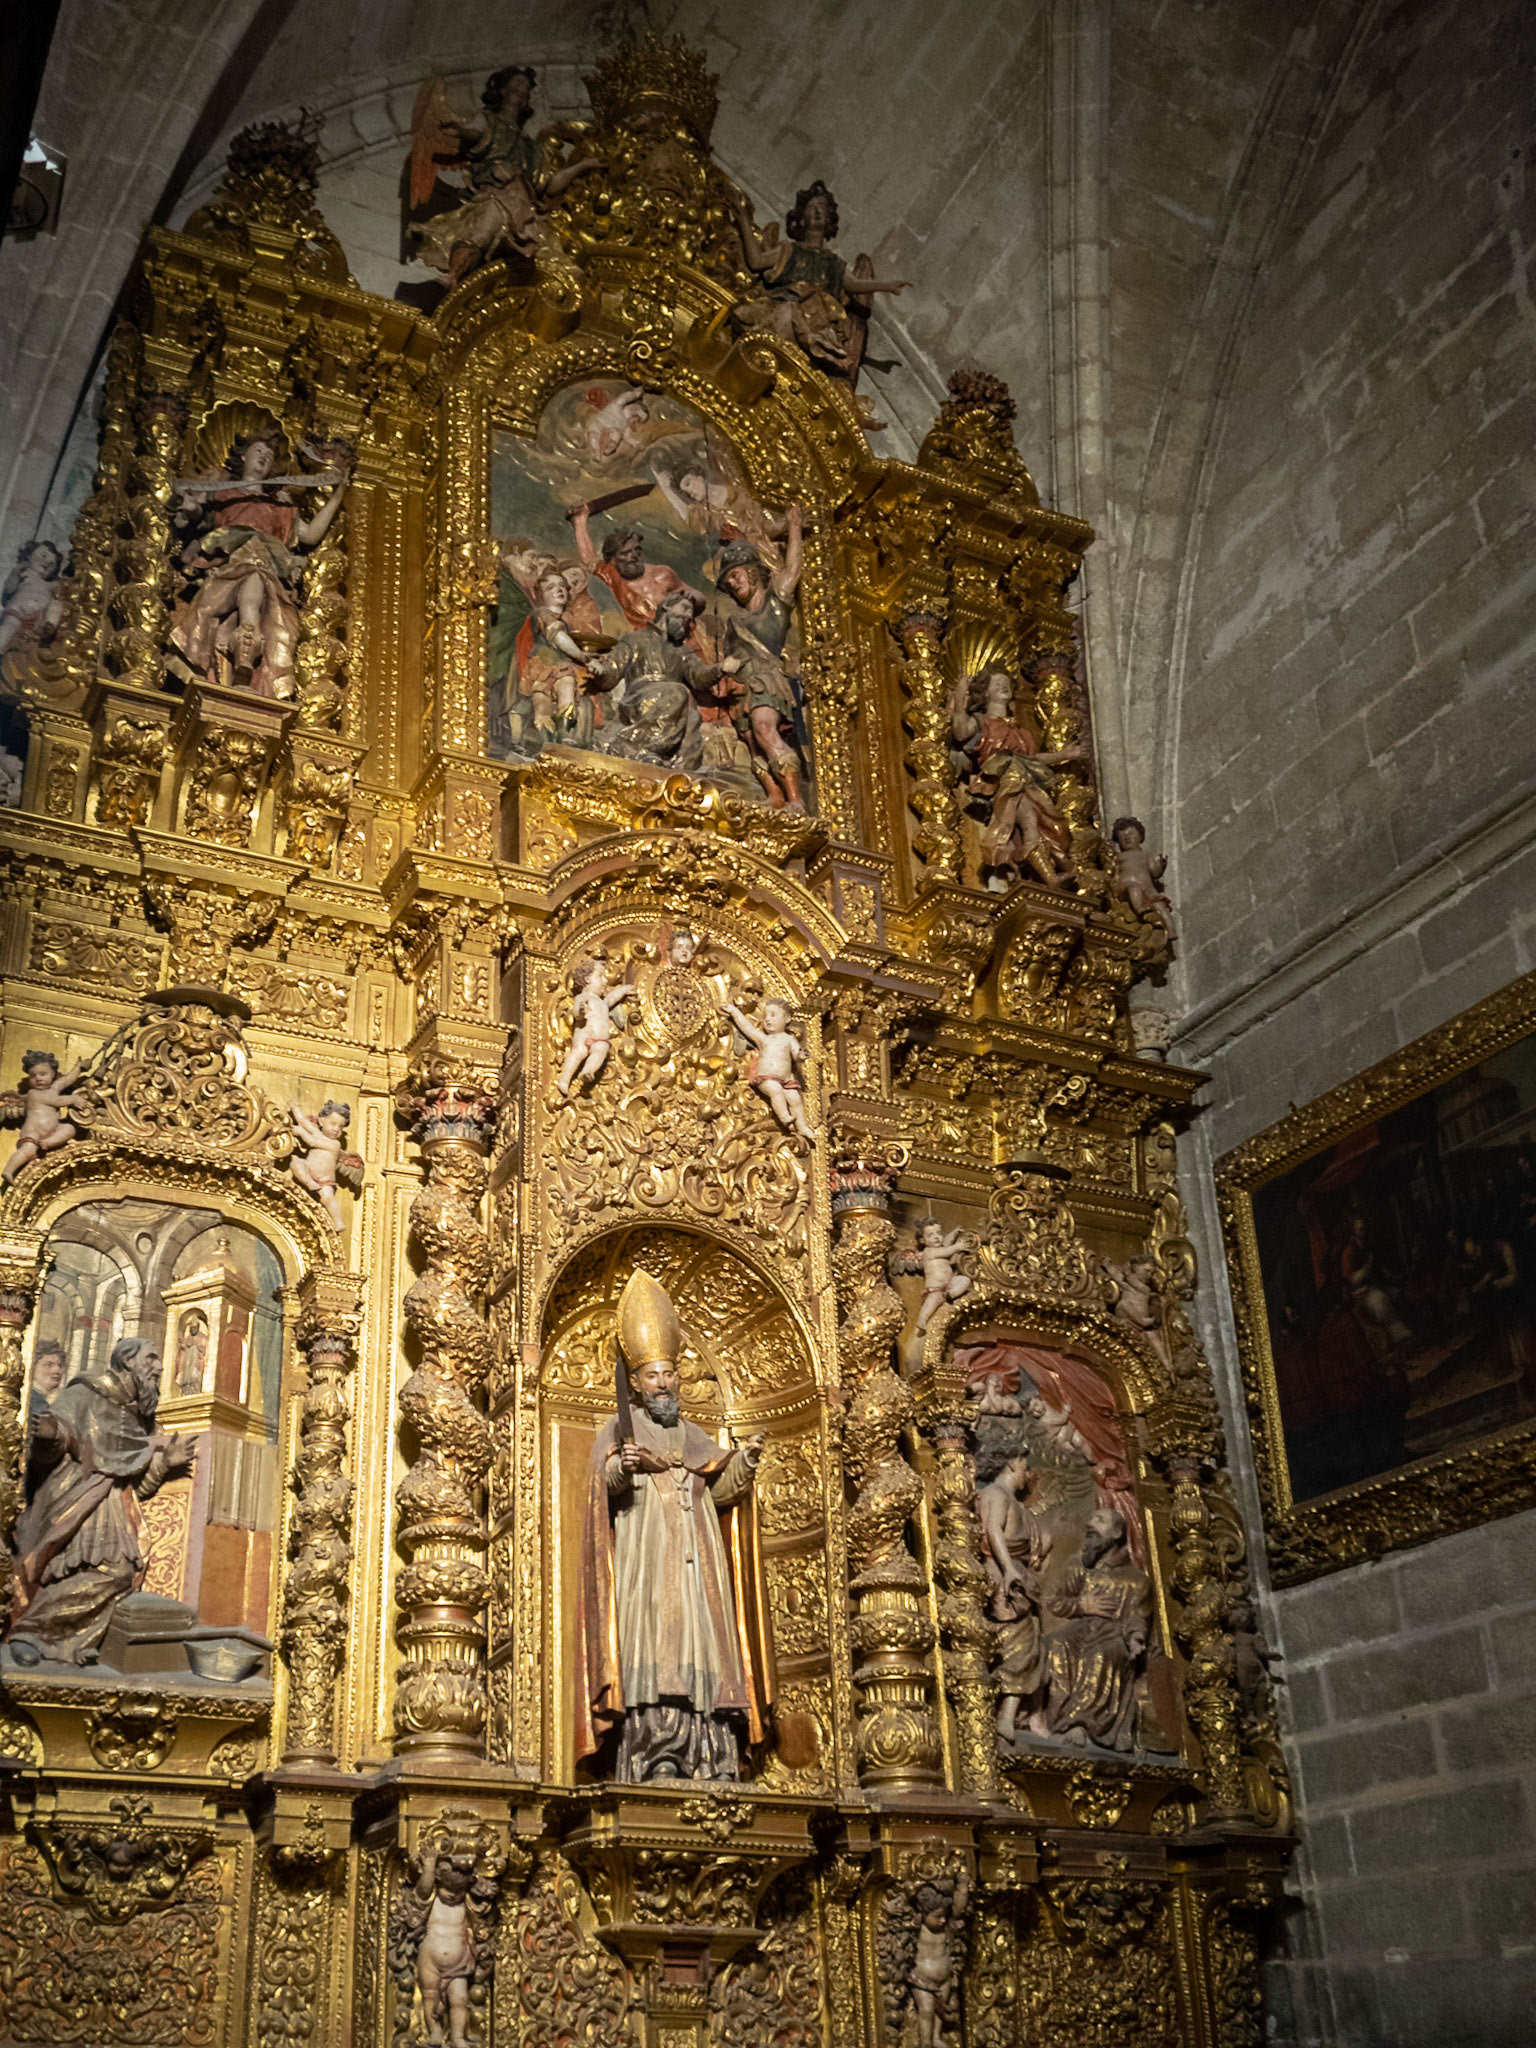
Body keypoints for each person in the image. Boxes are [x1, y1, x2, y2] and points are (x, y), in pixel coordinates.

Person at [574, 1270, 772, 1781]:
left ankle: (712, 1756)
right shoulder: (620, 1428)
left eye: (669, 1374)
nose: (663, 1384)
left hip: (700, 1566)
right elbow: (602, 1488)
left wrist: (746, 1461)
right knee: (655, 1645)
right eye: (652, 1377)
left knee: (703, 1647)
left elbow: (720, 1493)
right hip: (647, 1561)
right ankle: (656, 1752)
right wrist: (623, 1467)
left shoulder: (695, 1435)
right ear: (636, 1385)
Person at [5, 1337, 195, 1667]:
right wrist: (50, 1435)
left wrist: (165, 1463)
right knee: (91, 1570)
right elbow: (57, 1438)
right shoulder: (84, 1393)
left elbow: (137, 1485)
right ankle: (32, 1633)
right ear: (127, 1361)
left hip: (112, 1505)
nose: (160, 1367)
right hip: (74, 1495)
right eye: (151, 1358)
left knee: (117, 1573)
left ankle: (59, 1639)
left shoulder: (137, 1418)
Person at [169, 434, 351, 700]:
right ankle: (236, 665)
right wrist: (191, 507)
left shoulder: (279, 505)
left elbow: (310, 535)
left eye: (269, 454)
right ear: (243, 456)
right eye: (259, 451)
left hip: (269, 568)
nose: (264, 456)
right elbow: (198, 514)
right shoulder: (223, 492)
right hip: (228, 566)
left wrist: (338, 495)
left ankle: (246, 666)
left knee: (266, 601)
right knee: (213, 611)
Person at [407, 65, 600, 286]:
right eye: (517, 83)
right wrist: (461, 132)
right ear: (502, 90)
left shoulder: (532, 147)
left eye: (526, 87)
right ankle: (454, 276)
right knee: (481, 233)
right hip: (496, 195)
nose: (522, 89)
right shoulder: (489, 121)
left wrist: (583, 165)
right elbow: (476, 134)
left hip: (525, 209)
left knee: (556, 255)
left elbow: (549, 184)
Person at [733, 180, 908, 406]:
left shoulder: (834, 264)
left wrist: (888, 286)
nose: (817, 212)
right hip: (784, 306)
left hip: (816, 321)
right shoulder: (789, 250)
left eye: (823, 208)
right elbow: (756, 261)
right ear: (801, 218)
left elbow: (854, 284)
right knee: (786, 315)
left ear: (829, 218)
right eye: (812, 208)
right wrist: (743, 219)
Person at [951, 670, 1087, 890]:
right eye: (997, 683)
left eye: (1006, 683)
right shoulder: (982, 722)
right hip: (1005, 780)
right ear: (985, 693)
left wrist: (1064, 755)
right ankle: (1052, 876)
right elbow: (960, 732)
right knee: (1029, 823)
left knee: (1054, 824)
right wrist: (959, 699)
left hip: (1029, 780)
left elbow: (1032, 759)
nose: (1004, 686)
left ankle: (1057, 870)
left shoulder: (1022, 732)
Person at [1031, 1508, 1152, 1752]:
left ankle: (1082, 1725)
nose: (1090, 1523)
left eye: (1100, 1520)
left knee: (1101, 1656)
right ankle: (1057, 1723)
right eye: (1091, 1518)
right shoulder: (1078, 1566)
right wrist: (1081, 1605)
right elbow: (1054, 1600)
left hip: (1114, 1635)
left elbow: (1137, 1616)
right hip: (1081, 1630)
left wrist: (1136, 1638)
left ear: (1117, 1533)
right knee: (1055, 1646)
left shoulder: (1136, 1579)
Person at [714, 515, 809, 810]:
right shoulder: (734, 621)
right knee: (752, 743)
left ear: (752, 572)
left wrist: (794, 526)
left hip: (766, 679)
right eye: (729, 582)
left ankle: (796, 799)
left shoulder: (774, 601)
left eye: (735, 576)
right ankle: (775, 795)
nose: (733, 584)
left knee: (765, 729)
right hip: (740, 688)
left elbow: (793, 569)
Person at [586, 589, 740, 769]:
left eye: (690, 614)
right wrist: (601, 670)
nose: (688, 616)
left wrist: (720, 668)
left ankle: (671, 762)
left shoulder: (682, 651)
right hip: (639, 699)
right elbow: (612, 671)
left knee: (688, 709)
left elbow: (698, 676)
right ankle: (638, 748)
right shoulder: (635, 639)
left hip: (674, 701)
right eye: (684, 608)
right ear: (666, 607)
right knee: (678, 692)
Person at [974, 1448, 1053, 1742]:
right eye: (1024, 1466)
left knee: (1030, 1642)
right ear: (1010, 1463)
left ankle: (1026, 1714)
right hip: (1001, 1574)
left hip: (1018, 1575)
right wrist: (1007, 1569)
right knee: (1015, 1642)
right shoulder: (995, 1494)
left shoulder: (1015, 1503)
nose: (1028, 1474)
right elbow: (993, 1530)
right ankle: (1006, 1715)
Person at [570, 512, 705, 636]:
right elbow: (590, 560)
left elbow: (696, 596)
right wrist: (580, 520)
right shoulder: (613, 576)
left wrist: (694, 598)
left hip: (682, 635)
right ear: (613, 559)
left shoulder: (661, 575)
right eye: (625, 553)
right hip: (647, 638)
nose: (632, 556)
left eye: (636, 551)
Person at [723, 995, 816, 1144]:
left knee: (795, 1098)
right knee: (775, 1090)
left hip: (785, 1080)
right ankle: (784, 1116)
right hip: (767, 1078)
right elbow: (747, 1028)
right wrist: (734, 1012)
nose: (767, 1019)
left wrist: (801, 1055)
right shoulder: (764, 1039)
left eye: (773, 1015)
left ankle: (802, 1126)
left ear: (787, 1019)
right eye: (765, 1016)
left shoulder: (789, 1039)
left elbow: (796, 1053)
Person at [3, 1047, 85, 1183]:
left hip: (52, 1131)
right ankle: (9, 1170)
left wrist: (79, 1068)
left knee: (69, 1129)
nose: (38, 1078)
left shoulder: (54, 1088)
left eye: (43, 1074)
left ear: (53, 1074)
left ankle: (47, 1143)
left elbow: (67, 1080)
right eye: (33, 1076)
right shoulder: (33, 1093)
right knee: (27, 1150)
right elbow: (55, 1101)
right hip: (33, 1131)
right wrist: (73, 1099)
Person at [557, 957, 638, 1096]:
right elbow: (576, 1012)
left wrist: (624, 990)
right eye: (600, 976)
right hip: (584, 1035)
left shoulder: (602, 1002)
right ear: (588, 979)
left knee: (601, 1051)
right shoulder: (583, 997)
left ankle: (587, 1071)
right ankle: (564, 1080)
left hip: (600, 1040)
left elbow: (612, 998)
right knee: (578, 1053)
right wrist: (580, 1012)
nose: (605, 981)